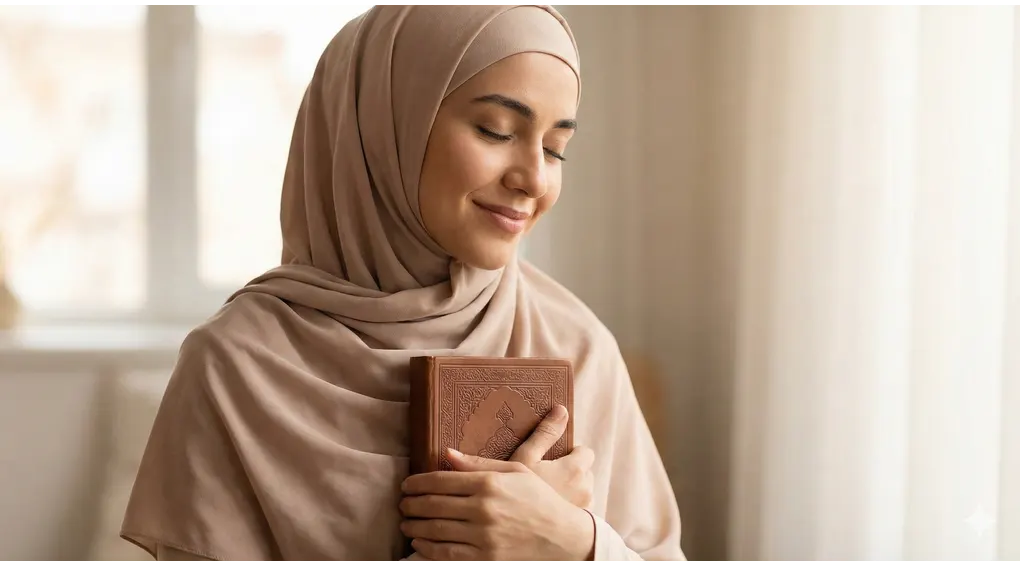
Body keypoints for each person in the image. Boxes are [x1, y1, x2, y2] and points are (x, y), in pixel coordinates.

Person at [120, 3, 685, 563]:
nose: (534, 177)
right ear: (386, 127)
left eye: (556, 147)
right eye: (496, 130)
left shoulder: (576, 346)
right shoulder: (235, 366)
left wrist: (573, 541)